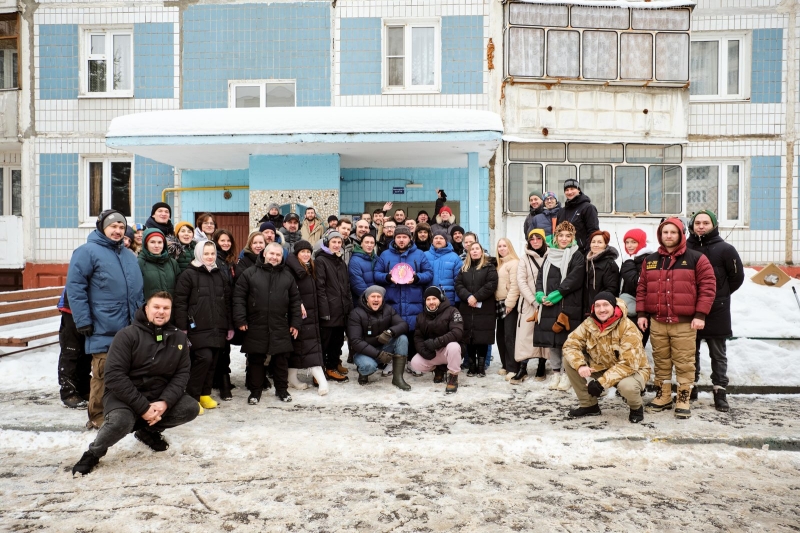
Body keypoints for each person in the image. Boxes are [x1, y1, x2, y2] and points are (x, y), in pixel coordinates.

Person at [71, 292, 200, 476]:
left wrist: (165, 402)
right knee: (121, 421)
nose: (161, 312)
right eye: (156, 307)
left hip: (157, 395)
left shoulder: (178, 338)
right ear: (146, 308)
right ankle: (93, 453)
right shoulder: (127, 335)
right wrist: (143, 408)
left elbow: (181, 374)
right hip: (124, 396)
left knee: (190, 407)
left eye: (165, 308)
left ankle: (148, 431)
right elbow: (114, 376)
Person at [66, 209, 144, 429]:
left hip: (130, 325)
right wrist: (82, 320)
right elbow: (75, 287)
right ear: (102, 227)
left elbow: (137, 291)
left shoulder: (129, 255)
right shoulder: (86, 252)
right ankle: (98, 417)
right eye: (113, 226)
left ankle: (123, 413)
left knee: (127, 372)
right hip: (103, 323)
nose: (118, 231)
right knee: (103, 371)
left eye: (121, 227)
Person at [637, 217, 716, 419]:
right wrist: (642, 313)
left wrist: (700, 315)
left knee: (684, 362)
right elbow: (642, 288)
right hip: (658, 322)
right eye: (665, 232)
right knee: (661, 361)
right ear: (660, 235)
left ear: (681, 234)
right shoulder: (651, 260)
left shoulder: (697, 259)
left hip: (684, 323)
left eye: (673, 232)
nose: (669, 236)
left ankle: (683, 398)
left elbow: (708, 288)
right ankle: (663, 396)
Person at [562, 292, 651, 423]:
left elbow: (628, 364)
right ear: (593, 308)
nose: (601, 309)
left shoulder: (628, 327)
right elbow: (570, 345)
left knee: (628, 387)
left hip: (632, 371)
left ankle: (636, 407)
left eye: (605, 305)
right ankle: (589, 405)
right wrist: (580, 365)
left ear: (614, 307)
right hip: (602, 366)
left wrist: (601, 383)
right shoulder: (589, 323)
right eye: (597, 306)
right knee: (569, 361)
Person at [686, 210, 744, 412]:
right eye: (698, 223)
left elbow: (736, 278)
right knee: (690, 353)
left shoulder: (726, 249)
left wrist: (721, 294)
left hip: (717, 310)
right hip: (690, 309)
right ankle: (690, 388)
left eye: (706, 223)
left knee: (718, 354)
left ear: (714, 225)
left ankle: (720, 392)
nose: (701, 226)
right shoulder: (684, 248)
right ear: (692, 225)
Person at [233, 242, 302, 404]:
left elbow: (295, 301)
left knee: (281, 360)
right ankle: (255, 392)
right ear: (264, 254)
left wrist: (295, 323)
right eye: (271, 254)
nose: (274, 257)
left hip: (280, 325)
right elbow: (238, 298)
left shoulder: (287, 275)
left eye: (278, 255)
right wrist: (240, 319)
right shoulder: (250, 273)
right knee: (256, 360)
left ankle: (282, 390)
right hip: (255, 324)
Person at [174, 241, 234, 412]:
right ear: (199, 253)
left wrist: (229, 326)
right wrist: (182, 327)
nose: (209, 257)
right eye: (206, 253)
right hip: (197, 327)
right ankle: (192, 397)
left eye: (212, 253)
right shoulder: (188, 275)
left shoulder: (220, 274)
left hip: (218, 326)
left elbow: (227, 302)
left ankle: (204, 394)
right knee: (203, 359)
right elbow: (180, 303)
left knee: (213, 361)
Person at [535, 221, 586, 393]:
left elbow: (575, 279)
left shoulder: (577, 255)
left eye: (568, 236)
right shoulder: (549, 255)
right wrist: (540, 295)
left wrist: (557, 295)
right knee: (553, 342)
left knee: (567, 341)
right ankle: (556, 373)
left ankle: (567, 374)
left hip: (567, 304)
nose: (564, 239)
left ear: (573, 238)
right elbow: (540, 277)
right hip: (549, 304)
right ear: (556, 237)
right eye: (561, 235)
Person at [375, 225, 434, 359]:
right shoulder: (385, 255)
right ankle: (391, 361)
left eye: (404, 237)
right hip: (392, 302)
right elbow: (376, 274)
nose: (401, 240)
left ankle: (413, 361)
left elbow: (429, 273)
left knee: (414, 332)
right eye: (399, 237)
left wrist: (417, 278)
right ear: (394, 238)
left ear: (410, 238)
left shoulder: (419, 254)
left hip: (413, 301)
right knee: (393, 331)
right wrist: (387, 277)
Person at [285, 240, 328, 395]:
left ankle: (292, 378)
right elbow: (290, 290)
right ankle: (322, 381)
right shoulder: (292, 269)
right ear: (296, 254)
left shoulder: (310, 267)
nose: (306, 254)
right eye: (302, 252)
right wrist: (299, 303)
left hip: (312, 314)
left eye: (308, 252)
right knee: (307, 347)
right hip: (300, 313)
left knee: (303, 346)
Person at [346, 285, 411, 389]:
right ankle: (363, 372)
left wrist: (390, 332)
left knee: (402, 338)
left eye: (379, 297)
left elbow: (403, 325)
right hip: (362, 352)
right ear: (367, 298)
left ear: (382, 299)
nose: (376, 299)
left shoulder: (388, 310)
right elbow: (355, 341)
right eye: (373, 296)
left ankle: (398, 378)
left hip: (383, 347)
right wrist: (378, 354)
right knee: (369, 366)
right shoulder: (356, 314)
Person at [315, 231, 354, 383]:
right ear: (327, 243)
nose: (337, 245)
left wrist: (348, 307)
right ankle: (321, 371)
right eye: (334, 242)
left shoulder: (340, 261)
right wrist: (324, 310)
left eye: (339, 242)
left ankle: (333, 365)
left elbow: (346, 286)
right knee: (326, 342)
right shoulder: (321, 261)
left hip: (341, 309)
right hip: (329, 309)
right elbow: (320, 287)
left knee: (337, 341)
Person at [455, 242, 499, 377]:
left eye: (477, 249)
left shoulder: (489, 267)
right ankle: (471, 366)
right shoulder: (464, 268)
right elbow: (458, 284)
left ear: (481, 251)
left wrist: (476, 297)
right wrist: (468, 297)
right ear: (469, 252)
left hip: (484, 308)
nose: (474, 251)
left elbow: (491, 284)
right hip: (467, 307)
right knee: (469, 337)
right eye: (472, 249)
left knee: (482, 338)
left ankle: (481, 367)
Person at [409, 287, 463, 394]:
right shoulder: (421, 316)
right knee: (415, 362)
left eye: (434, 298)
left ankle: (453, 376)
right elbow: (418, 337)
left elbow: (457, 332)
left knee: (454, 346)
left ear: (441, 299)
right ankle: (438, 369)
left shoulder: (453, 311)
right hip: (433, 352)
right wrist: (422, 350)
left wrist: (436, 343)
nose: (431, 302)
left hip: (448, 351)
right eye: (428, 299)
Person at [512, 229, 549, 384]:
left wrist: (547, 299)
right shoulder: (524, 259)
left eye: (538, 238)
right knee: (525, 336)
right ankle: (523, 367)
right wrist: (533, 301)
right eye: (532, 238)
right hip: (528, 303)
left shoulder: (551, 256)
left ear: (543, 240)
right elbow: (521, 281)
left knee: (544, 334)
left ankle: (542, 365)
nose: (535, 241)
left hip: (548, 302)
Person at [619, 228, 653, 346]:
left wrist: (628, 262)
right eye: (627, 242)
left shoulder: (646, 260)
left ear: (641, 242)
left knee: (635, 346)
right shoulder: (632, 258)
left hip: (640, 311)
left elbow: (635, 282)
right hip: (629, 309)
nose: (629, 245)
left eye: (633, 242)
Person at [56, 289, 90, 409]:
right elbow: (75, 283)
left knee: (86, 351)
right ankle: (68, 392)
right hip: (72, 307)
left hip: (87, 307)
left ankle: (83, 387)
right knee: (71, 350)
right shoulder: (79, 270)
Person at [495, 238, 520, 377]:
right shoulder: (500, 264)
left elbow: (515, 285)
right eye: (499, 246)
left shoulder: (514, 263)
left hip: (509, 303)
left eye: (504, 246)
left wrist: (510, 304)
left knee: (510, 336)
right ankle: (505, 364)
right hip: (499, 303)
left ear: (509, 247)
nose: (502, 248)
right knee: (501, 336)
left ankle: (513, 368)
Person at [556, 179, 600, 255]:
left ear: (578, 190)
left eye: (572, 189)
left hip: (581, 253)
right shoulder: (562, 211)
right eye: (567, 190)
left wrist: (589, 252)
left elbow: (593, 232)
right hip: (564, 254)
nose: (569, 192)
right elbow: (557, 233)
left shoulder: (588, 208)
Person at [583, 230, 620, 316]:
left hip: (600, 310)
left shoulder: (609, 264)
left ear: (605, 245)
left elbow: (611, 289)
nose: (596, 245)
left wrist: (598, 305)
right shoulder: (587, 262)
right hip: (585, 309)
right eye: (593, 242)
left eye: (600, 242)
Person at [138, 229, 181, 300]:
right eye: (152, 242)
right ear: (146, 244)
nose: (156, 245)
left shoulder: (172, 263)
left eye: (160, 242)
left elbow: (179, 288)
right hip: (149, 309)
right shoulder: (140, 263)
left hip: (169, 308)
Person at [424, 230, 462, 304]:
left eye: (441, 238)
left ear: (446, 241)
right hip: (429, 297)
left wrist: (457, 299)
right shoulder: (424, 255)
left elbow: (458, 280)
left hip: (447, 297)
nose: (438, 240)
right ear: (432, 241)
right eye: (436, 238)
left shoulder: (454, 257)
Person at [349, 233, 378, 302]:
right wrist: (369, 299)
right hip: (363, 300)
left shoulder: (376, 258)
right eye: (366, 242)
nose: (369, 245)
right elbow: (357, 284)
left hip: (377, 299)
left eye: (372, 243)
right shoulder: (355, 260)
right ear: (361, 244)